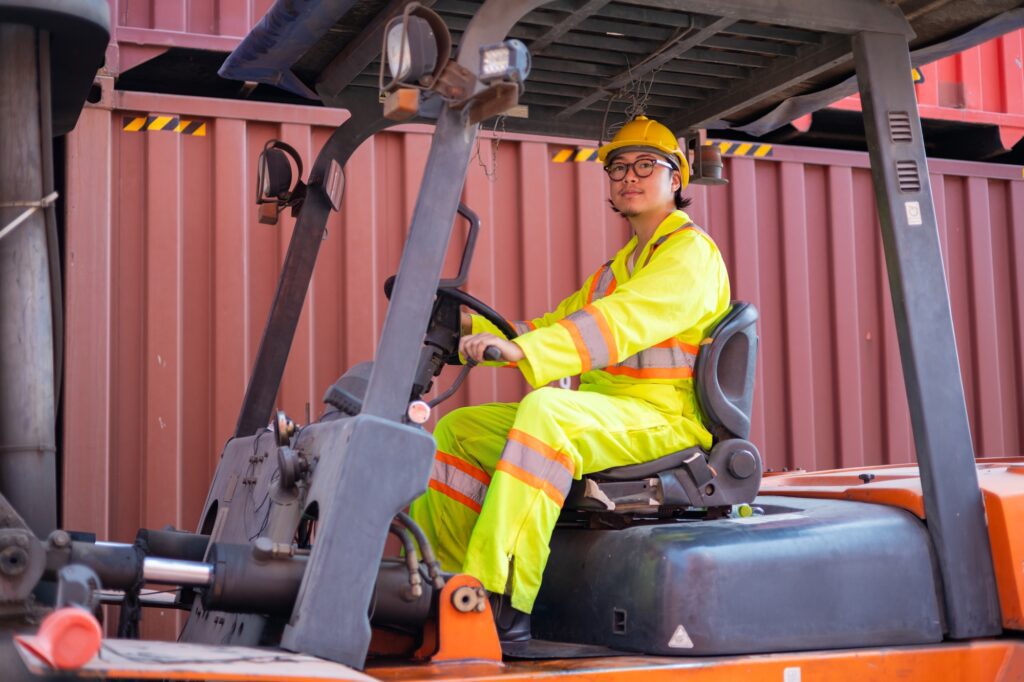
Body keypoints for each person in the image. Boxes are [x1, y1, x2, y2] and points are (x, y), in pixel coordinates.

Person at [409, 116, 731, 641]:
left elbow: (623, 321)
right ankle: (442, 585)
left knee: (547, 413)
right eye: (618, 168)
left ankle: (499, 596)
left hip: (664, 420)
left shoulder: (689, 254)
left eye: (645, 165)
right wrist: (470, 328)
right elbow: (555, 326)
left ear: (676, 179)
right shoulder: (615, 270)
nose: (629, 176)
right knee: (459, 431)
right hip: (612, 415)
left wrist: (527, 351)